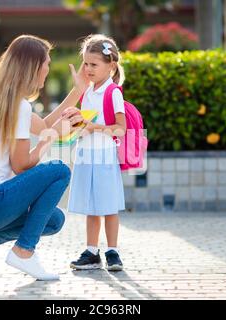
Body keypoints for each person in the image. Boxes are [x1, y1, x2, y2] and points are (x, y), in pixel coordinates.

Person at [0, 35, 88, 281]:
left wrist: (78, 91)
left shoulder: (1, 100)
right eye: (46, 63)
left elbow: (43, 124)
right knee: (59, 170)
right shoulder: (18, 106)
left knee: (53, 220)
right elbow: (21, 166)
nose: (47, 69)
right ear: (33, 67)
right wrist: (52, 137)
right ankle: (24, 252)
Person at [68, 34, 127, 271]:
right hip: (86, 155)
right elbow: (86, 123)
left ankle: (113, 251)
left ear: (110, 66)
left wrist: (93, 127)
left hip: (104, 156)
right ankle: (92, 252)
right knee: (92, 207)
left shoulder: (113, 93)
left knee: (108, 206)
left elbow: (121, 129)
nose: (88, 69)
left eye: (94, 64)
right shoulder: (88, 92)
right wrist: (75, 121)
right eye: (86, 64)